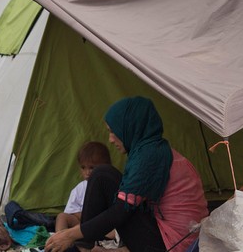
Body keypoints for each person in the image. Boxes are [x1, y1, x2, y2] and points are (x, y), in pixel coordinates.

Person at [44, 97, 208, 252]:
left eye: (112, 131)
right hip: (180, 240)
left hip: (173, 245)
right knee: (106, 179)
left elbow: (120, 212)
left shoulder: (149, 157)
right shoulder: (155, 150)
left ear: (129, 127)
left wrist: (69, 235)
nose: (110, 139)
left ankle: (83, 246)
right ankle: (85, 244)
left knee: (102, 176)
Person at [56, 142, 112, 234]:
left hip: (103, 227)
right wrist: (86, 218)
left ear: (106, 167)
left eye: (92, 168)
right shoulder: (79, 188)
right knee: (61, 217)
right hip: (82, 226)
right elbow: (71, 211)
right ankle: (60, 238)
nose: (87, 172)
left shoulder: (109, 186)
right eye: (83, 167)